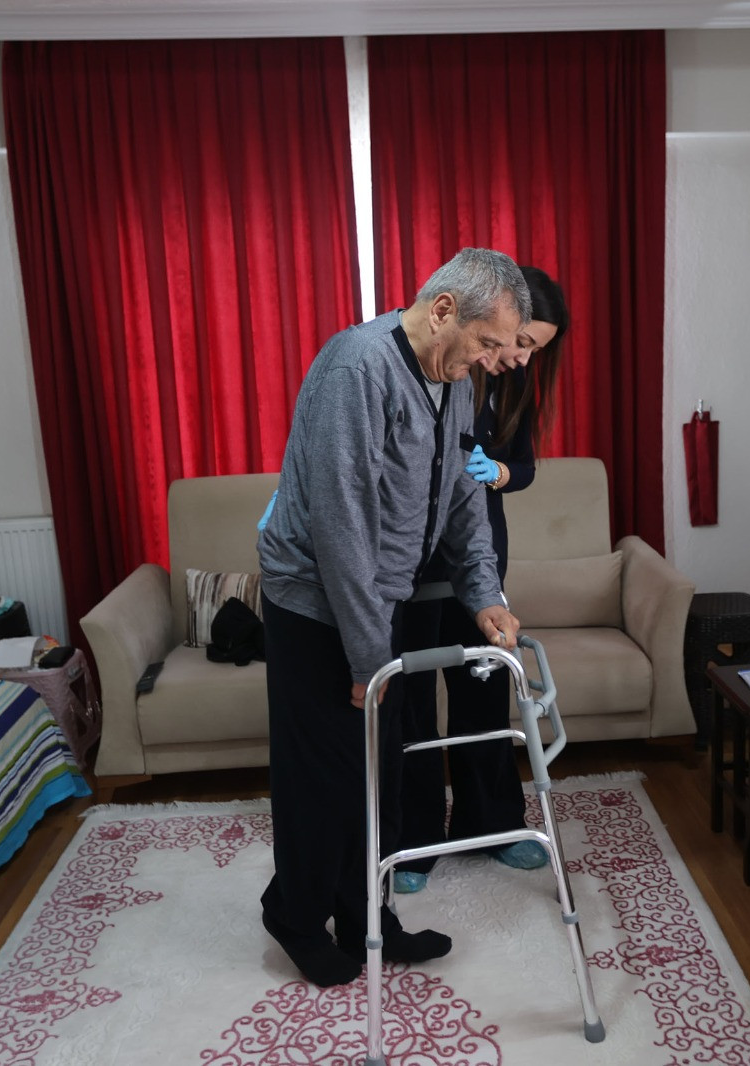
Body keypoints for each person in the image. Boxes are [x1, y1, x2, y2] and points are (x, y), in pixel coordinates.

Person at [256, 248, 528, 988]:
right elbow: (342, 528)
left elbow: (465, 494)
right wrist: (368, 661)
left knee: (380, 771)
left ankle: (366, 917)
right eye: (485, 342)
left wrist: (484, 593)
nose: (489, 361)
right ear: (442, 310)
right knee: (328, 775)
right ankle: (295, 914)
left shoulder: (454, 380)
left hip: (383, 599)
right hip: (317, 602)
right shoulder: (358, 369)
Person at [394, 266, 570, 894]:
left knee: (485, 696)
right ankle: (412, 842)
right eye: (519, 342)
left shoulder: (513, 384)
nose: (521, 358)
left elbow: (523, 467)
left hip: (480, 561)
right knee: (411, 706)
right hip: (413, 566)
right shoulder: (435, 369)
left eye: (534, 350)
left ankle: (494, 824)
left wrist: (495, 472)